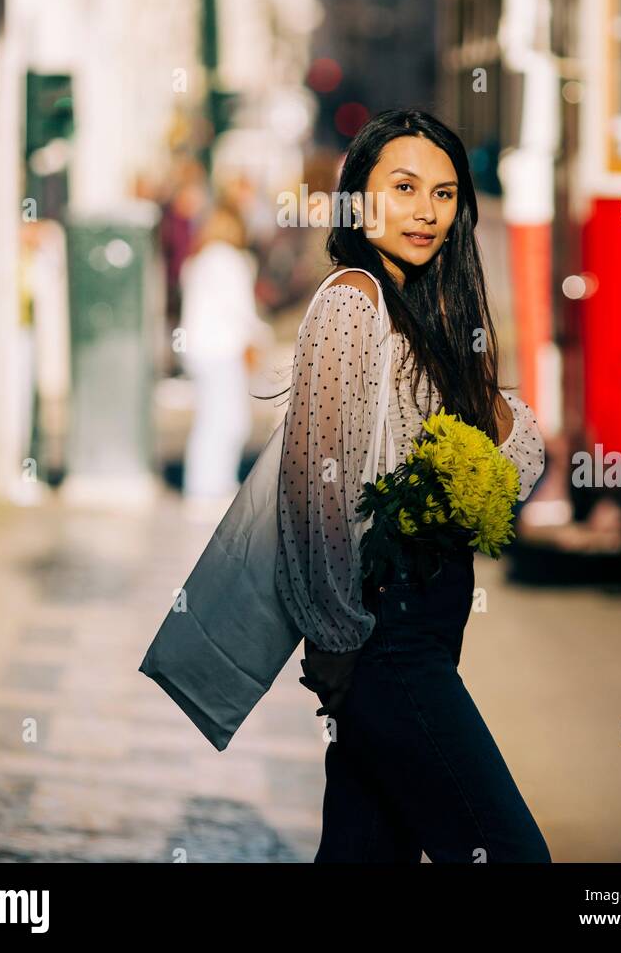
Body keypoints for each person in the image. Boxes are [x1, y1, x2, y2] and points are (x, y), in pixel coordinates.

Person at [274, 108, 551, 863]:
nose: (426, 211)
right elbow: (314, 489)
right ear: (358, 198)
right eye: (403, 187)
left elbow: (522, 455)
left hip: (423, 628)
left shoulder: (429, 311)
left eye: (444, 193)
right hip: (384, 639)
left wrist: (480, 452)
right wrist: (336, 644)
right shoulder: (350, 303)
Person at [178, 201, 266, 500]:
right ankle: (211, 485)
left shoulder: (198, 260)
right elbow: (241, 310)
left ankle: (205, 482)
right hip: (222, 349)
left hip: (198, 349)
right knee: (230, 419)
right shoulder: (231, 260)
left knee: (211, 417)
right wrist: (262, 335)